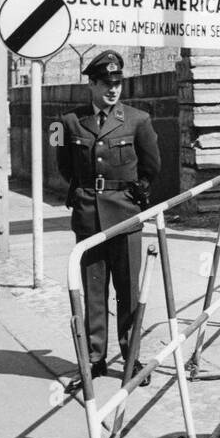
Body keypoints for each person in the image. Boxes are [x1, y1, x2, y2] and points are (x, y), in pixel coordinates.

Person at [55, 50, 161, 378]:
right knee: (93, 288)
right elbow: (63, 166)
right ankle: (94, 358)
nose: (112, 90)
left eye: (117, 83)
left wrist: (136, 192)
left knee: (128, 290)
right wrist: (84, 192)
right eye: (105, 83)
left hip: (126, 214)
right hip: (88, 214)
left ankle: (131, 359)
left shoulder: (138, 119)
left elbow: (152, 165)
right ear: (91, 84)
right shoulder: (68, 122)